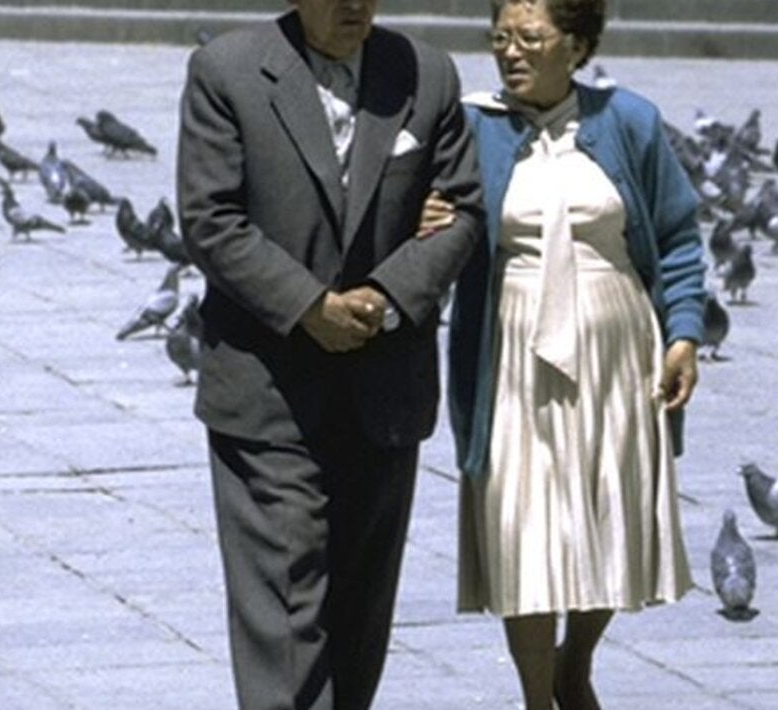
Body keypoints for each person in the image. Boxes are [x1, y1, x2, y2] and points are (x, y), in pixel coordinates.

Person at [175, 1, 484, 708]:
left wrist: (384, 294)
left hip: (384, 389)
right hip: (269, 391)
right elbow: (210, 218)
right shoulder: (226, 72)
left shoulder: (425, 76)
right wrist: (310, 308)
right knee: (286, 606)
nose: (355, 7)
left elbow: (462, 208)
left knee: (360, 614)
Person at [438, 1, 705, 707]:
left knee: (607, 511)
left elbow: (677, 237)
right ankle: (536, 697)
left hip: (615, 343)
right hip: (512, 343)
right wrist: (426, 215)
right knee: (520, 519)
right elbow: (433, 213)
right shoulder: (469, 126)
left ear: (577, 45)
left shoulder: (630, 122)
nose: (511, 54)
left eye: (531, 38)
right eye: (500, 38)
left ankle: (575, 661)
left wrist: (682, 332)